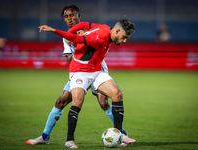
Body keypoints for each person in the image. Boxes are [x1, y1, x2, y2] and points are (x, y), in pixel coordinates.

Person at [26, 5, 135, 147]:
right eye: (66, 17)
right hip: (80, 70)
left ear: (79, 16)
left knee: (104, 102)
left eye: (72, 15)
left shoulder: (93, 31)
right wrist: (77, 44)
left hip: (98, 68)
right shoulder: (67, 39)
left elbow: (90, 32)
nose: (70, 19)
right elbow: (70, 59)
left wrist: (82, 40)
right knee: (61, 101)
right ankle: (45, 136)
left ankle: (122, 135)